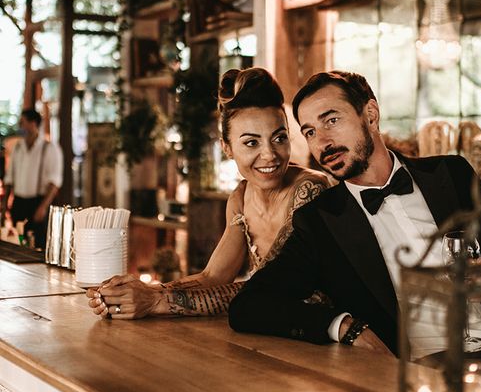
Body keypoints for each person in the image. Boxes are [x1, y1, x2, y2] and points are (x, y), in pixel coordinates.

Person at [228, 71, 481, 373]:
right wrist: (344, 326)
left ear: (371, 115)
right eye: (309, 132)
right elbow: (249, 306)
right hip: (413, 376)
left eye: (332, 121)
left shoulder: (452, 175)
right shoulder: (320, 222)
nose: (322, 142)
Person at [87, 67, 328, 319]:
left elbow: (269, 287)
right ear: (227, 148)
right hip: (273, 331)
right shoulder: (241, 197)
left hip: (328, 340)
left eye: (279, 138)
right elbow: (213, 276)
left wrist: (156, 300)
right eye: (251, 142)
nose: (269, 154)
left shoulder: (310, 190)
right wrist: (139, 291)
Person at [2, 108, 63, 250]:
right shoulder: (18, 148)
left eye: (23, 122)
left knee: (38, 244)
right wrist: (5, 205)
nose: (20, 126)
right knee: (18, 243)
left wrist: (42, 207)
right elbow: (10, 178)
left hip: (37, 202)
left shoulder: (49, 148)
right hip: (19, 203)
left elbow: (54, 182)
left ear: (33, 123)